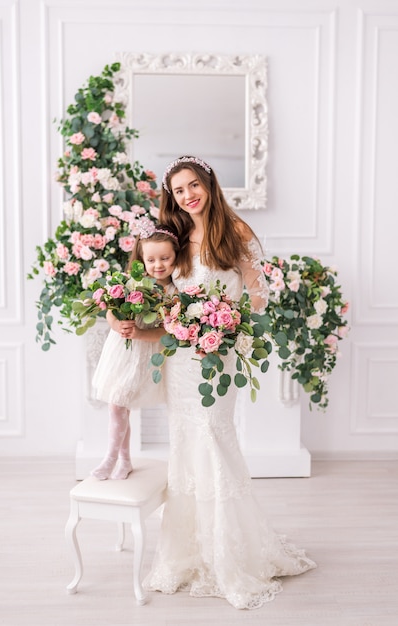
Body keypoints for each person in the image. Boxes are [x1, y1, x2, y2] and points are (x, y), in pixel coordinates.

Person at [143, 156, 317, 609]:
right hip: (182, 361)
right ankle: (189, 552)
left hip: (218, 359)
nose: (187, 196)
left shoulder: (235, 233)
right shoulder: (175, 237)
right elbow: (166, 296)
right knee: (185, 445)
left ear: (208, 184)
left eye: (193, 185)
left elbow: (257, 299)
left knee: (213, 439)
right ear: (172, 197)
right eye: (178, 191)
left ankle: (229, 557)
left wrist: (222, 330)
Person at [90, 224, 179, 480]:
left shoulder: (173, 293)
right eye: (150, 260)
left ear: (176, 256)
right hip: (121, 352)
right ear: (141, 260)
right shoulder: (130, 282)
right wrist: (117, 323)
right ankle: (121, 459)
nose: (158, 265)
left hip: (144, 354)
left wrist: (140, 334)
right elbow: (110, 309)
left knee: (120, 405)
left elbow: (167, 330)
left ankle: (113, 458)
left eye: (165, 258)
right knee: (118, 406)